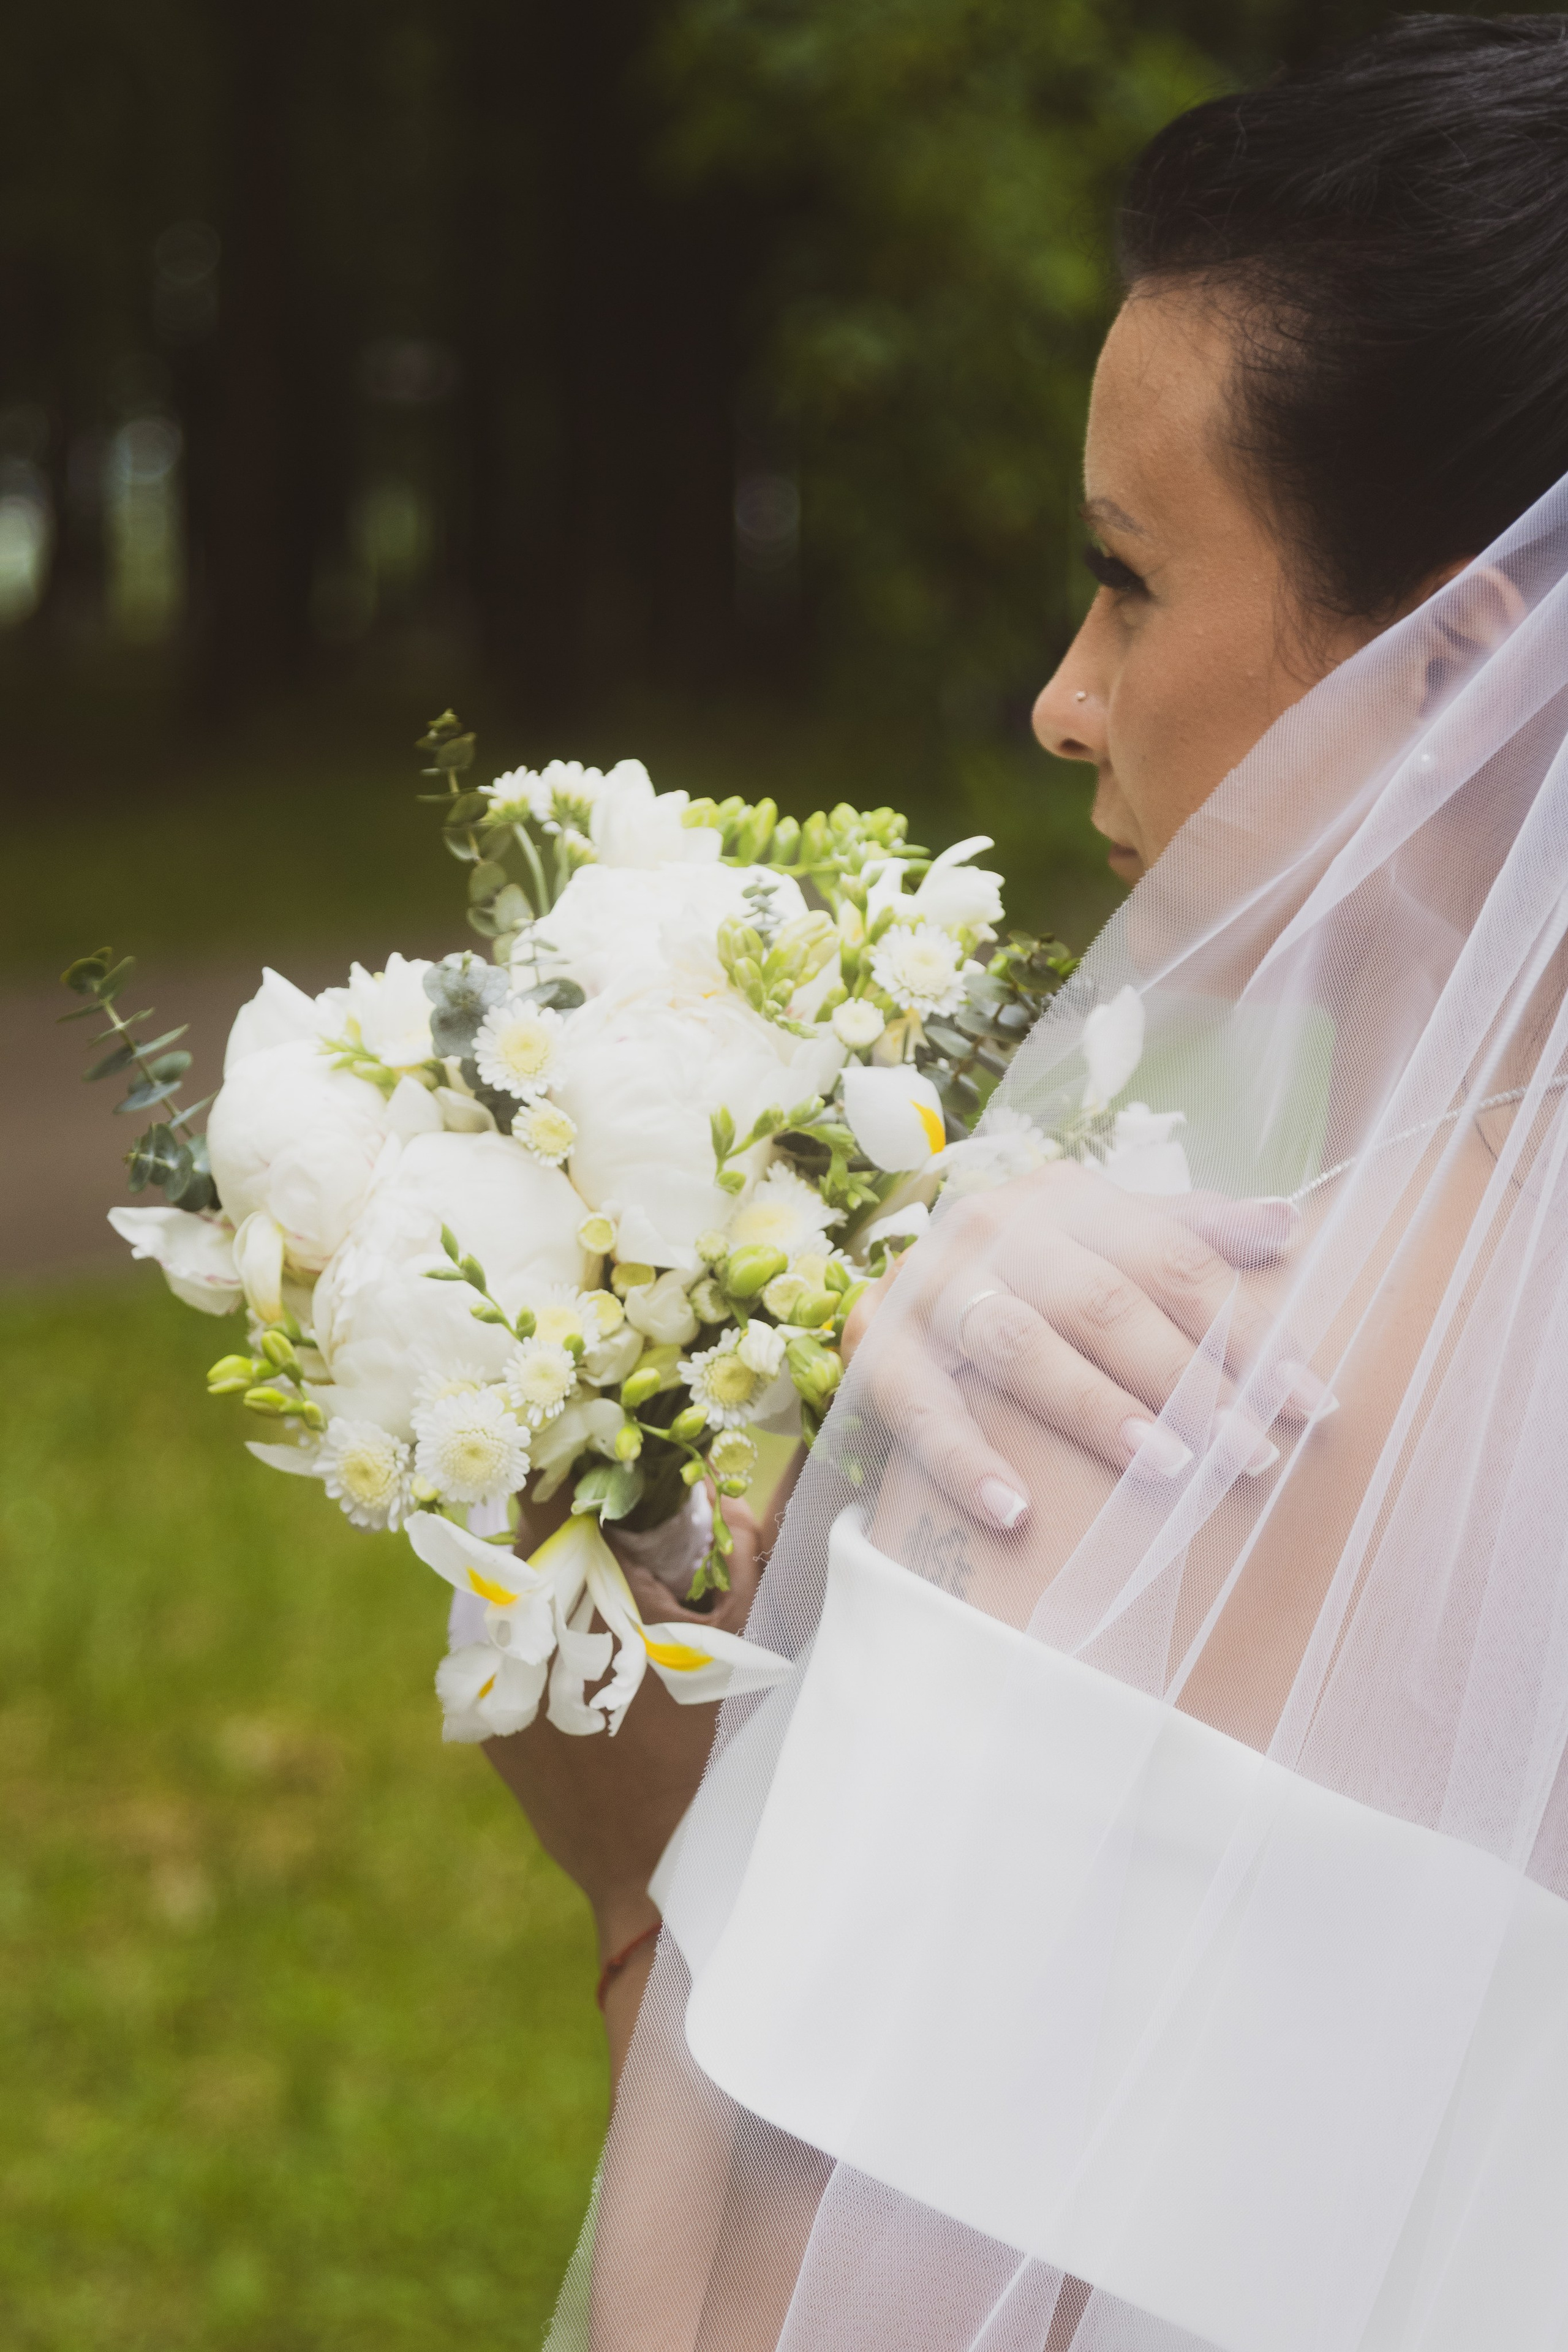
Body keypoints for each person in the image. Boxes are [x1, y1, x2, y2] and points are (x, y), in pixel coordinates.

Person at [488, 17, 1568, 2345]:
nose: (1068, 701)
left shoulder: (1129, 1416)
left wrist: (643, 1868)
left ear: (1465, 665)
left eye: (1127, 580)